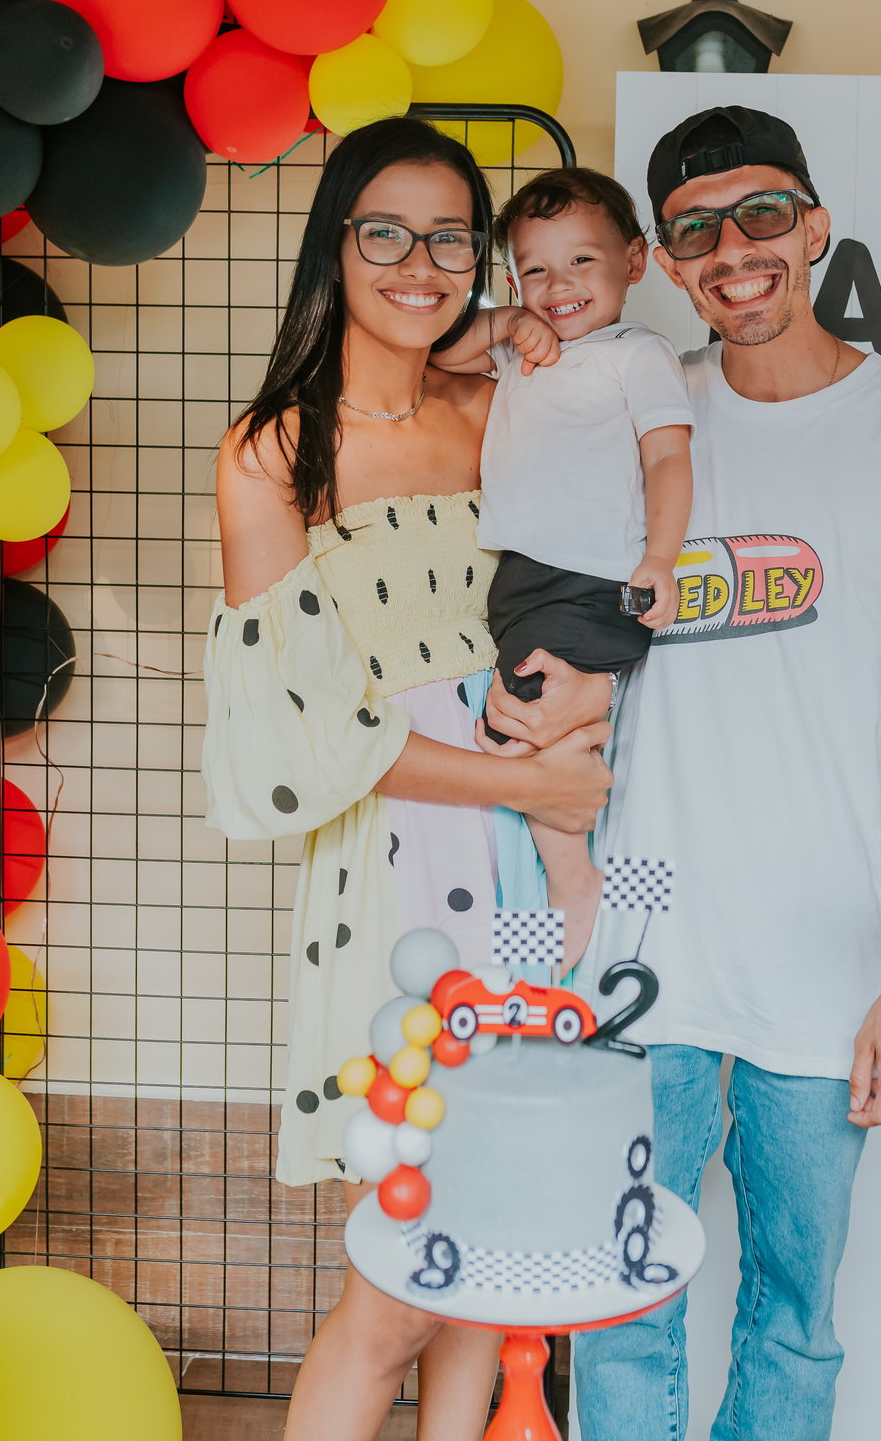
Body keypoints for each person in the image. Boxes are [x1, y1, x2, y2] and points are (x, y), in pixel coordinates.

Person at [573, 105, 881, 1441]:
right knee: (620, 1296)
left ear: (816, 226)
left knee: (792, 1311)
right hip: (638, 949)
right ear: (665, 259)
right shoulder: (634, 429)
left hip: (829, 965)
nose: (737, 249)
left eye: (765, 213)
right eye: (699, 228)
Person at [201, 117, 614, 1441]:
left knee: (486, 1272)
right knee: (393, 1285)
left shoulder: (501, 411)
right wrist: (532, 793)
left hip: (523, 854)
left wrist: (528, 343)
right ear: (338, 242)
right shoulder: (274, 452)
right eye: (386, 229)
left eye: (451, 235)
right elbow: (316, 730)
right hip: (396, 879)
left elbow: (593, 582)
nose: (420, 261)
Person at [432, 166, 694, 972]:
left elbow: (668, 459)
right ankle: (573, 926)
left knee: (519, 723)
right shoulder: (521, 352)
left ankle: (573, 879)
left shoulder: (636, 353)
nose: (558, 285)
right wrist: (505, 320)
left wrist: (660, 556)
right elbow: (438, 355)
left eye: (581, 262)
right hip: (524, 577)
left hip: (589, 578)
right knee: (540, 729)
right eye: (534, 268)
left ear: (635, 262)